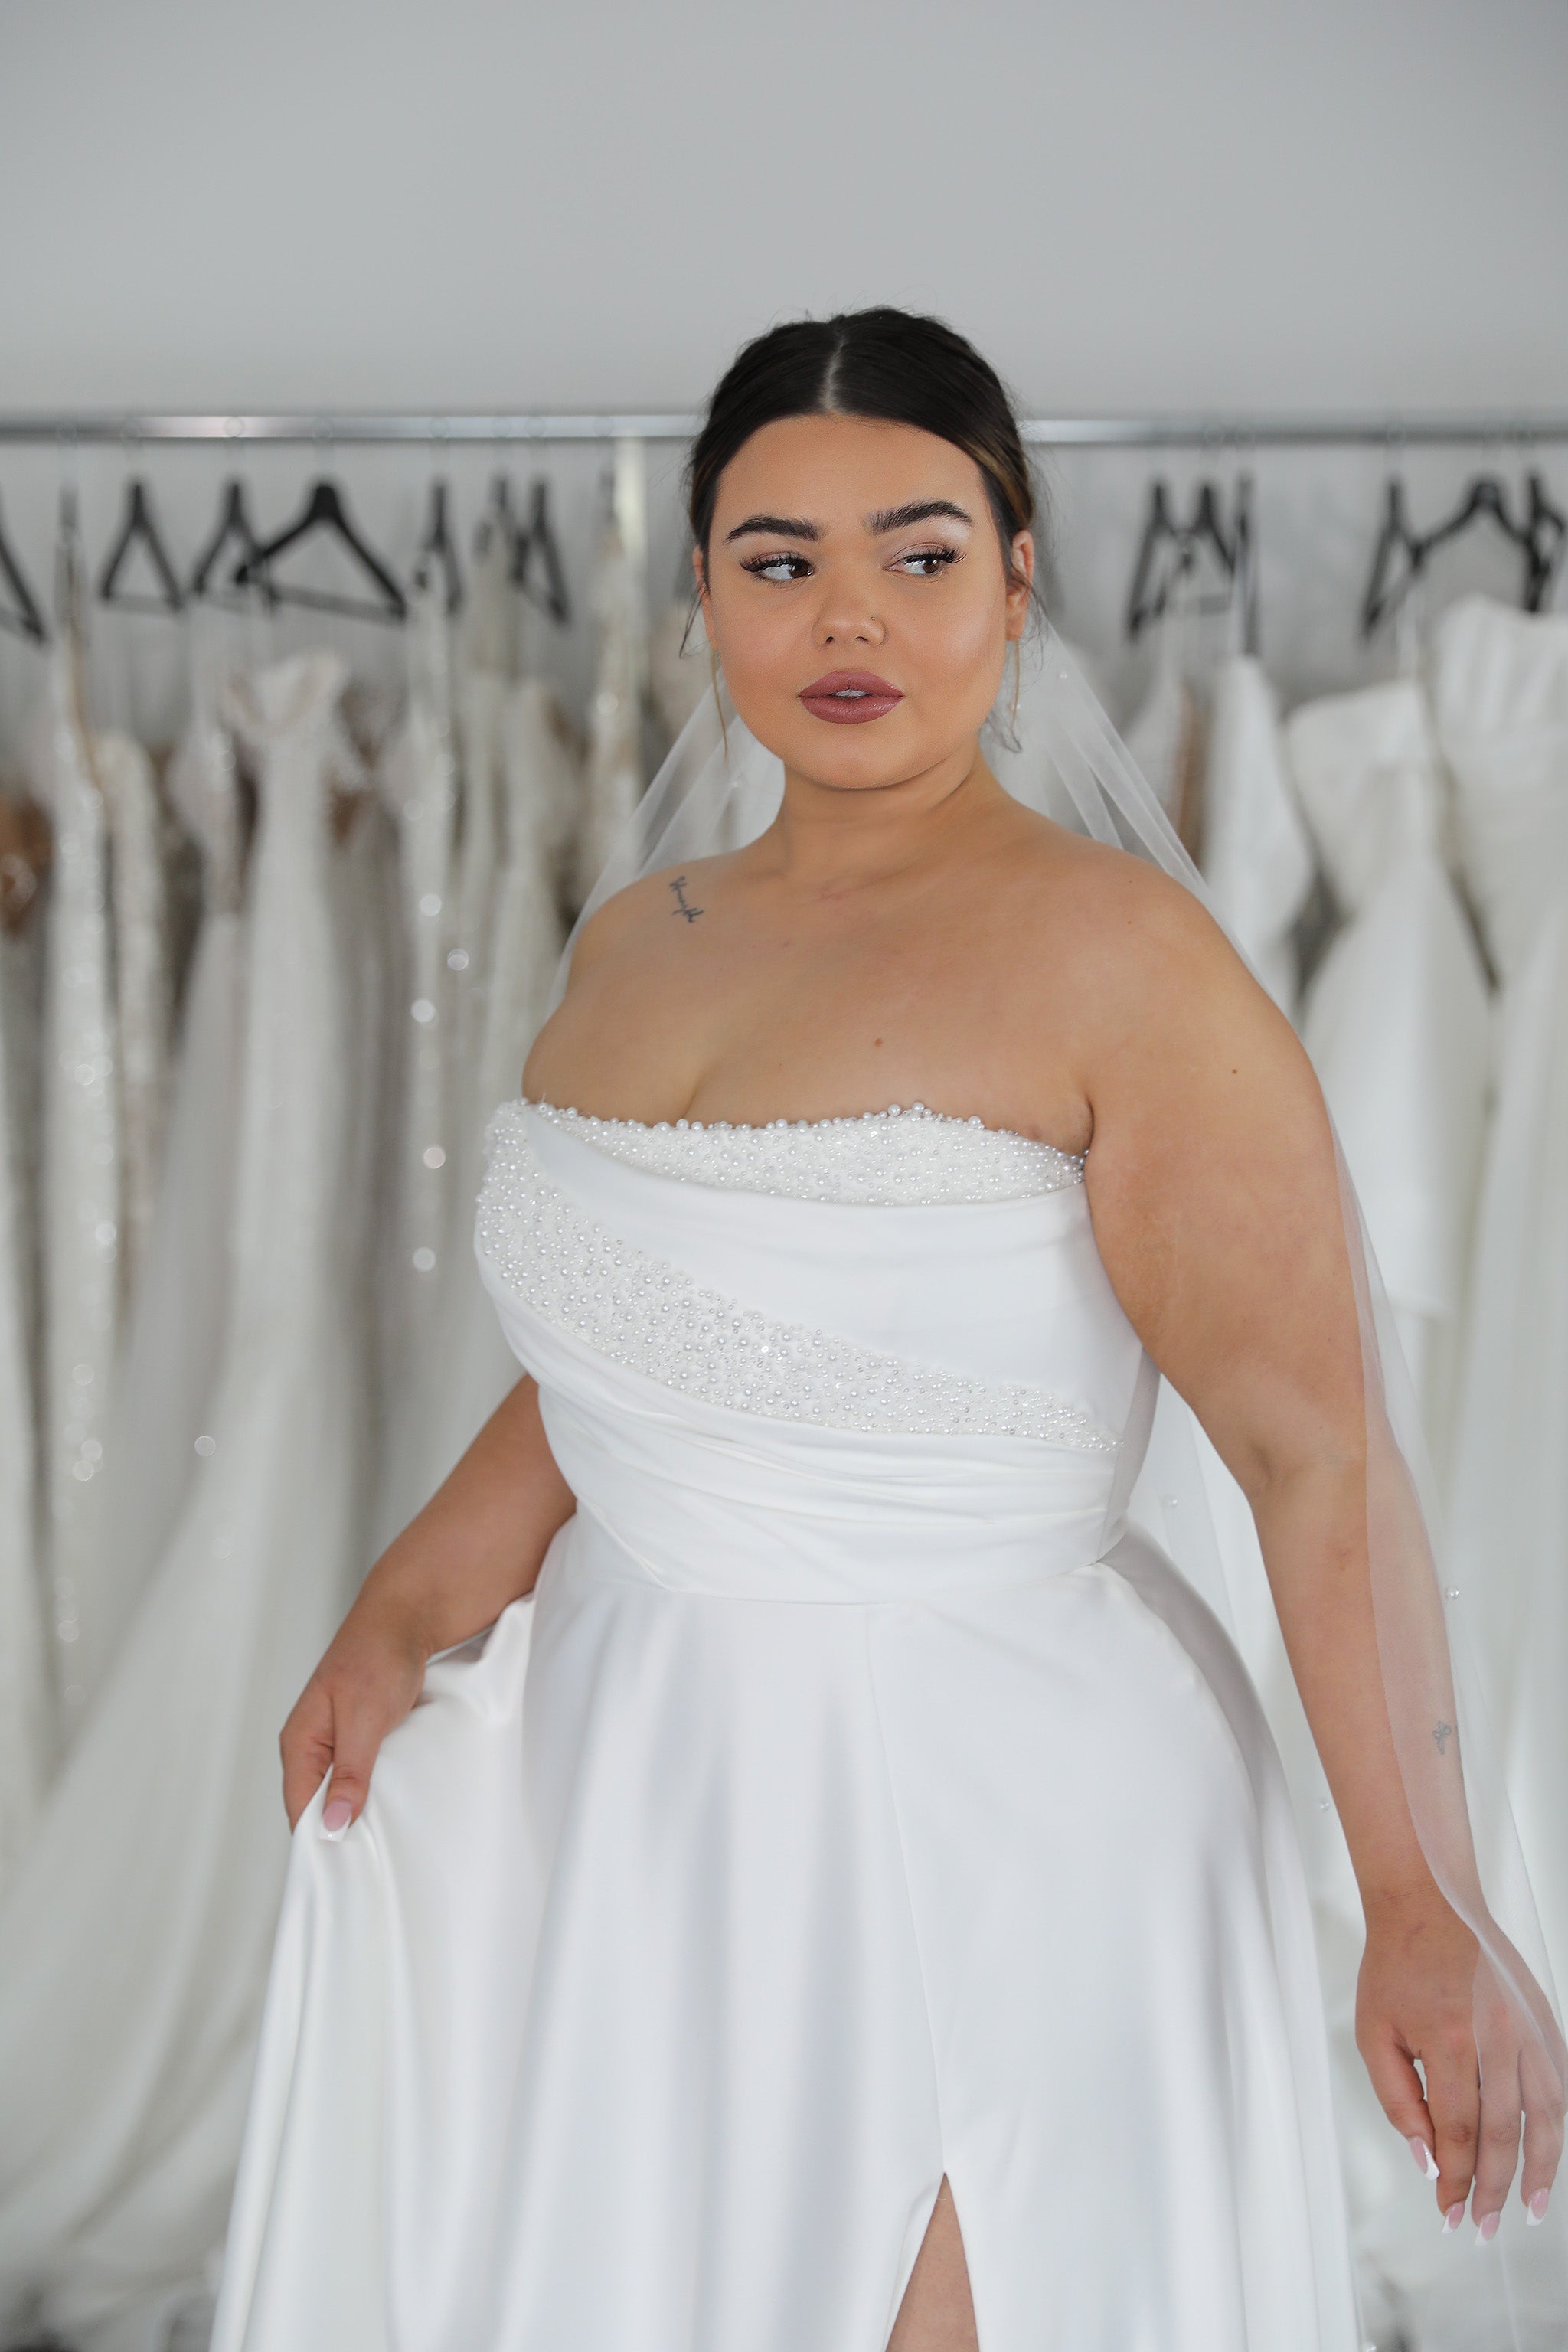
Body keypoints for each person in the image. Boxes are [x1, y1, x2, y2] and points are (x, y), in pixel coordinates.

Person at [214, 310, 1562, 2352]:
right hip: (652, 1776)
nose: (851, 615)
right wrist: (401, 1611)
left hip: (993, 1792)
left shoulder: (1128, 964)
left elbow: (1318, 1451)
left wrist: (1423, 1903)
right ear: (703, 592)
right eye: (779, 561)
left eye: (922, 553)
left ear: (1020, 577)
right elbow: (628, 1357)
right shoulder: (631, 945)